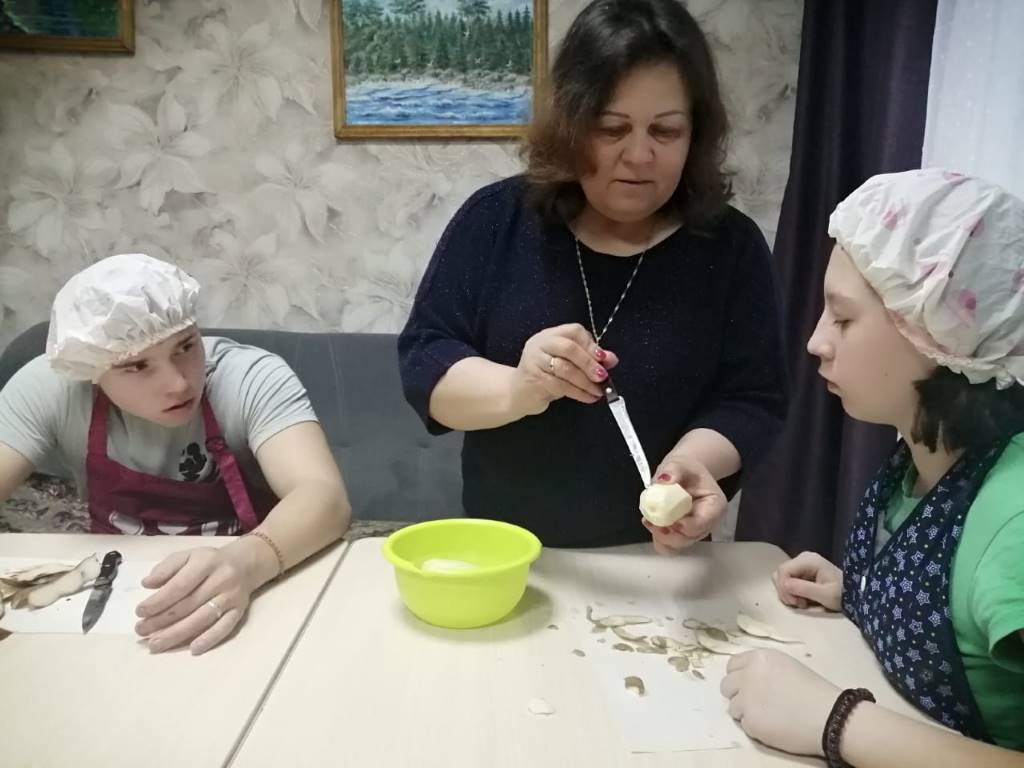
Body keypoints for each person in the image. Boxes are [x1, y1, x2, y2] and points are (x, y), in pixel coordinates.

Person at [398, 0, 787, 548]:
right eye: (611, 128)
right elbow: (425, 365)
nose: (639, 155)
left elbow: (754, 399)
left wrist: (688, 466)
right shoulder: (495, 221)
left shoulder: (730, 247)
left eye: (666, 131)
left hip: (661, 561)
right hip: (508, 554)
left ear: (695, 134)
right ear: (571, 125)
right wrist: (520, 387)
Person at [720, 169, 1024, 764]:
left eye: (842, 317)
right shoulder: (923, 454)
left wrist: (838, 722)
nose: (815, 342)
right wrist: (863, 594)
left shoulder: (1014, 523)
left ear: (938, 331)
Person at [0, 253, 351, 655]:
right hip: (119, 599)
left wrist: (246, 562)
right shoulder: (51, 387)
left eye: (185, 346)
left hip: (255, 586)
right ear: (92, 370)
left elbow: (324, 497)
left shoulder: (251, 377)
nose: (179, 383)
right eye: (137, 366)